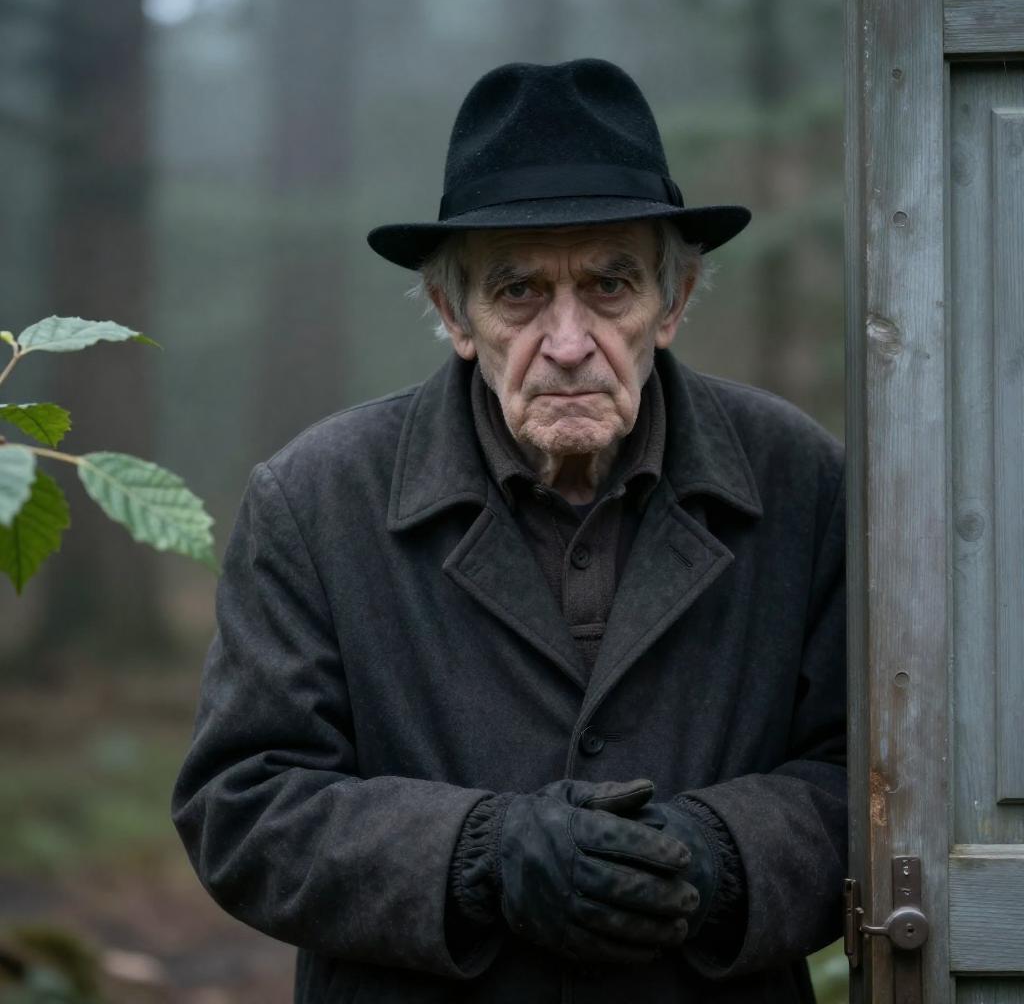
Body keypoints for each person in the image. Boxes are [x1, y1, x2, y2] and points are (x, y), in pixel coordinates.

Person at [172, 58, 846, 1004]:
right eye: (519, 292)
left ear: (673, 303)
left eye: (610, 285)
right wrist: (482, 855)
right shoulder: (315, 499)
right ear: (454, 314)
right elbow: (243, 806)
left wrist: (718, 855)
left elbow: (870, 779)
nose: (567, 343)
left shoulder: (801, 480)